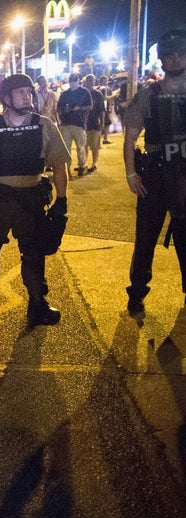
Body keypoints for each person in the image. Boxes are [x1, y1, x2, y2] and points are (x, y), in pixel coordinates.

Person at [0, 73, 70, 327]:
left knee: (33, 253)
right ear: (6, 98)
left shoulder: (45, 126)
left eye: (29, 92)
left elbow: (59, 165)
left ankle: (37, 302)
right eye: (20, 92)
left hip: (31, 199)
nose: (26, 96)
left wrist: (62, 198)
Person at [123, 29, 186, 317]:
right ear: (161, 60)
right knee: (145, 238)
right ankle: (136, 293)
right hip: (155, 176)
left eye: (179, 54)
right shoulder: (148, 95)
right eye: (168, 56)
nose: (174, 60)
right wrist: (131, 175)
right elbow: (130, 138)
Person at [57, 72, 92, 177]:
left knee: (80, 147)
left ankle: (82, 166)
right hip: (66, 124)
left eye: (74, 81)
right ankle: (67, 169)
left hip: (79, 123)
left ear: (78, 81)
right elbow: (59, 108)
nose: (73, 84)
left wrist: (79, 108)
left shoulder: (84, 92)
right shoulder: (65, 94)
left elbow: (90, 106)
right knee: (66, 148)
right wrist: (63, 112)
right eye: (71, 81)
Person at [83, 74, 106, 173]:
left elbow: (102, 110)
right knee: (84, 145)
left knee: (95, 145)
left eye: (92, 80)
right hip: (84, 123)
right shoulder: (82, 93)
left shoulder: (98, 94)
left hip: (95, 123)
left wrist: (102, 122)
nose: (90, 82)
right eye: (89, 80)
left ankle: (94, 163)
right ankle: (84, 164)